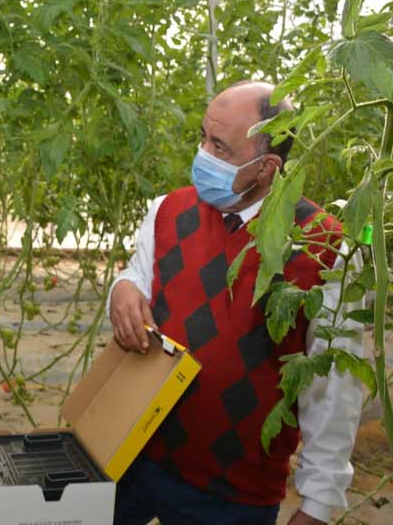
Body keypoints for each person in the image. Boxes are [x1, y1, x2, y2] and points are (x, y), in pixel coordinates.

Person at [107, 81, 363, 525]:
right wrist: (123, 289)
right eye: (203, 136)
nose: (204, 154)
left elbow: (334, 389)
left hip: (232, 495)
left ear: (266, 168)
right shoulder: (169, 210)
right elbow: (139, 273)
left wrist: (319, 505)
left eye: (220, 148)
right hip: (135, 456)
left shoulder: (326, 249)